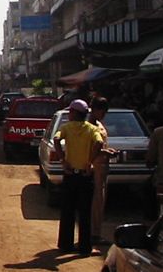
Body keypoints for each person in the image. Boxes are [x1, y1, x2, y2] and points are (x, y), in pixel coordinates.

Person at [55, 99, 103, 256]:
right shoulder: (91, 129)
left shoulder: (66, 128)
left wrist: (63, 160)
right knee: (85, 212)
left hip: (70, 174)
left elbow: (56, 139)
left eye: (70, 112)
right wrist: (90, 161)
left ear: (75, 113)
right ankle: (84, 247)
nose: (69, 114)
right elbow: (99, 142)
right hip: (85, 175)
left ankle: (65, 244)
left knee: (67, 210)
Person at [88, 97, 116, 243]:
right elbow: (90, 150)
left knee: (99, 201)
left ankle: (95, 232)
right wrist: (105, 153)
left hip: (102, 167)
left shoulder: (98, 124)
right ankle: (93, 234)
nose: (104, 115)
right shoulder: (89, 126)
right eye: (102, 112)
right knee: (96, 201)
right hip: (95, 167)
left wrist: (107, 151)